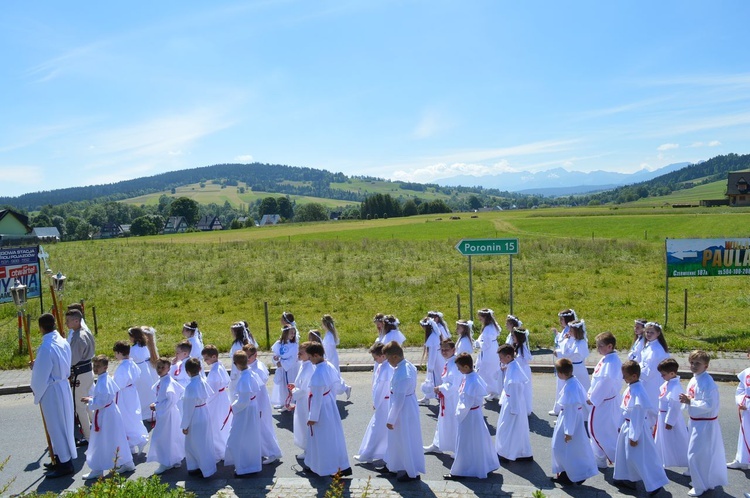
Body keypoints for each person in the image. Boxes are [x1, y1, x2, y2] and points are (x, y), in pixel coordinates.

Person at [30, 313, 77, 478]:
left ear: (41, 328)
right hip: (63, 385)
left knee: (55, 426)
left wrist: (35, 385)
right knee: (64, 424)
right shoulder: (63, 341)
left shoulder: (45, 347)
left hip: (51, 390)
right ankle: (58, 457)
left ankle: (65, 463)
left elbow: (41, 375)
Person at [612, 360, 668, 496]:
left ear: (634, 376)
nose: (623, 377)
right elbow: (623, 409)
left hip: (635, 428)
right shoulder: (631, 387)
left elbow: (637, 415)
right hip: (627, 425)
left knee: (638, 457)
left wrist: (634, 436)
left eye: (625, 375)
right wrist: (620, 425)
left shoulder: (638, 392)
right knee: (623, 454)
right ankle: (626, 478)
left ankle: (655, 483)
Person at [679, 350, 728, 497]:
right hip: (695, 421)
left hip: (705, 424)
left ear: (706, 366)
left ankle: (700, 486)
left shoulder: (708, 383)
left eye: (698, 363)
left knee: (697, 454)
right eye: (692, 363)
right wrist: (687, 399)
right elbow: (693, 396)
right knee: (695, 453)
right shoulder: (695, 378)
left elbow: (710, 404)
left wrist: (690, 401)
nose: (693, 366)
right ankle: (696, 474)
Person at [444, 352, 499, 480]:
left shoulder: (472, 381)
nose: (458, 370)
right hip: (474, 414)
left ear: (466, 367)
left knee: (465, 442)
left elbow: (466, 402)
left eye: (459, 367)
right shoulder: (471, 376)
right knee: (477, 441)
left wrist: (457, 414)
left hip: (469, 415)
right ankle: (483, 465)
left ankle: (460, 470)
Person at [81, 354, 135, 480]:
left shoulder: (103, 381)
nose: (95, 368)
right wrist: (92, 398)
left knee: (100, 441)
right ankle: (128, 463)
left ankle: (97, 469)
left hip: (105, 414)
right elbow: (104, 397)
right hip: (110, 412)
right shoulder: (104, 378)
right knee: (116, 438)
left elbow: (101, 401)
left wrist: (90, 402)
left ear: (105, 367)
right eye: (94, 366)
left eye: (98, 366)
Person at [303, 342, 352, 477]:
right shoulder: (328, 365)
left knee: (323, 438)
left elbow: (317, 399)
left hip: (322, 410)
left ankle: (328, 467)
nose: (309, 359)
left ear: (316, 355)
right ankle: (336, 465)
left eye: (310, 357)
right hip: (329, 404)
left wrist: (313, 418)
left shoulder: (319, 373)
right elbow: (337, 383)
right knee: (333, 436)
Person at [551, 358, 598, 486]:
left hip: (569, 421)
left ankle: (576, 474)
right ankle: (567, 473)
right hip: (572, 419)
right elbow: (583, 396)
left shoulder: (570, 388)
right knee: (571, 448)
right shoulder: (573, 381)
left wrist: (568, 432)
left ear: (561, 374)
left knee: (560, 447)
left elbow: (570, 412)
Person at [382, 341, 425, 482]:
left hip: (403, 409)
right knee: (397, 439)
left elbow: (399, 400)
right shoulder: (407, 365)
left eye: (388, 358)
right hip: (407, 404)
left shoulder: (402, 374)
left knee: (405, 438)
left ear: (394, 357)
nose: (387, 361)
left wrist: (390, 419)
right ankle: (395, 465)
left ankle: (410, 471)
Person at [587, 331, 622, 469]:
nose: (597, 349)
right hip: (604, 400)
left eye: (600, 346)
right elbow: (597, 379)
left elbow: (606, 382)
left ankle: (617, 459)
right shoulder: (607, 358)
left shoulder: (612, 362)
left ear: (609, 346)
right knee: (599, 430)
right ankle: (599, 458)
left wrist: (593, 398)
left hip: (603, 401)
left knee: (600, 431)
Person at [224, 350, 263, 477]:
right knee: (249, 436)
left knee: (239, 437)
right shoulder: (250, 373)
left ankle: (246, 467)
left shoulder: (245, 378)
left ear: (235, 364)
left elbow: (244, 399)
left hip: (245, 410)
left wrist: (233, 406)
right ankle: (249, 465)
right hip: (250, 408)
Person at [243, 343, 282, 464]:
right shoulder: (251, 366)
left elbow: (257, 386)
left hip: (259, 400)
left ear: (255, 355)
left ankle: (273, 452)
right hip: (256, 399)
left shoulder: (258, 368)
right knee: (259, 427)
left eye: (249, 357)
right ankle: (262, 450)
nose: (246, 360)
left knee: (263, 427)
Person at [355, 342, 394, 464]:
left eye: (376, 358)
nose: (375, 360)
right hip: (384, 402)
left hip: (384, 403)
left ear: (383, 355)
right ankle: (376, 452)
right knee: (379, 429)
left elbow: (381, 390)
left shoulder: (386, 369)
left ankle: (368, 454)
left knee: (376, 428)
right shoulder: (383, 366)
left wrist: (376, 403)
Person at [146, 357, 185, 474]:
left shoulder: (168, 383)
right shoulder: (163, 380)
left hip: (167, 414)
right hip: (167, 413)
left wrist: (156, 406)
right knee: (171, 436)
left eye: (163, 367)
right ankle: (174, 460)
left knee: (163, 437)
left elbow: (171, 399)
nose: (160, 369)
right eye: (158, 367)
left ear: (168, 369)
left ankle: (166, 462)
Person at [495, 343, 533, 462]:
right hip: (512, 401)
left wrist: (514, 409)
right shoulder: (512, 366)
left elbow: (515, 390)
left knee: (507, 428)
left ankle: (505, 453)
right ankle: (521, 452)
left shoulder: (514, 371)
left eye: (501, 357)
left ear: (508, 357)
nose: (500, 360)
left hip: (513, 404)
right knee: (517, 428)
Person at [181, 357, 217, 478]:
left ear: (187, 371)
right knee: (204, 442)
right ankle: (204, 467)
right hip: (204, 412)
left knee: (193, 444)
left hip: (195, 416)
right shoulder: (202, 381)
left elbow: (187, 409)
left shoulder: (190, 387)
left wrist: (184, 425)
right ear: (200, 369)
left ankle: (198, 467)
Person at [424, 340, 460, 455]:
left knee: (452, 423)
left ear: (453, 350)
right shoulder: (448, 362)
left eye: (447, 350)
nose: (444, 352)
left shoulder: (455, 364)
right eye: (442, 350)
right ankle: (437, 443)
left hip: (453, 398)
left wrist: (440, 388)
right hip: (447, 398)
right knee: (442, 420)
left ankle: (456, 448)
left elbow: (454, 384)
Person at [112, 340, 148, 454]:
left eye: (115, 353)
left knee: (126, 418)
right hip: (132, 392)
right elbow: (137, 374)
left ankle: (136, 440)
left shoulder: (123, 367)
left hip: (124, 395)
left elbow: (119, 384)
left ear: (119, 353)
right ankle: (132, 443)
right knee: (134, 416)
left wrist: (111, 382)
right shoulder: (132, 363)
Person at [65, 308, 95, 446]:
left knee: (80, 407)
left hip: (80, 374)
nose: (66, 323)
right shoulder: (85, 332)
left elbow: (72, 359)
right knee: (88, 404)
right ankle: (97, 429)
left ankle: (88, 437)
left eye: (69, 321)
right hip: (88, 372)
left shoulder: (78, 337)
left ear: (76, 321)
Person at [655, 358, 689, 470]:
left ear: (672, 373)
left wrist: (669, 421)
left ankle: (690, 463)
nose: (661, 376)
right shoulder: (668, 383)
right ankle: (659, 460)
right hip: (662, 415)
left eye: (663, 374)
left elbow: (674, 405)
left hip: (669, 417)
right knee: (661, 440)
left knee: (678, 441)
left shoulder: (675, 387)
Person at [202, 345, 231, 461]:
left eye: (207, 358)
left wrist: (205, 401)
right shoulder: (220, 366)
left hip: (216, 400)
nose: (205, 361)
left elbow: (211, 392)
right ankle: (222, 448)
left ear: (214, 357)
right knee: (222, 423)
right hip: (222, 397)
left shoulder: (214, 372)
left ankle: (219, 452)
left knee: (216, 424)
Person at [128, 326, 159, 420]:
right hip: (145, 370)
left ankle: (145, 413)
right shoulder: (144, 346)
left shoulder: (133, 349)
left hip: (139, 371)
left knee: (141, 392)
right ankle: (150, 413)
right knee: (147, 392)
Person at [550, 308, 576, 416]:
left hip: (564, 361)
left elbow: (568, 348)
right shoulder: (566, 330)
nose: (560, 321)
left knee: (562, 387)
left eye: (562, 319)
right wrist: (557, 333)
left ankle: (560, 409)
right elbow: (561, 341)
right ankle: (558, 408)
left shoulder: (570, 331)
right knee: (559, 387)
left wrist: (559, 353)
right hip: (560, 360)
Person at [290, 342, 314, 459]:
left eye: (301, 352)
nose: (298, 354)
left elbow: (304, 389)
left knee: (305, 425)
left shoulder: (309, 367)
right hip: (301, 399)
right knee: (301, 423)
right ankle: (307, 449)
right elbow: (301, 382)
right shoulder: (303, 364)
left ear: (309, 355)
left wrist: (294, 390)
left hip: (305, 401)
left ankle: (309, 451)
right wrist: (294, 385)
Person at [640, 321, 670, 411]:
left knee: (652, 405)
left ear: (658, 333)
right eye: (647, 332)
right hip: (647, 377)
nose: (648, 334)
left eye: (651, 332)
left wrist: (638, 372)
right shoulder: (650, 344)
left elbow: (650, 370)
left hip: (652, 380)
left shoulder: (656, 350)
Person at [321, 314, 352, 399]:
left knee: (334, 377)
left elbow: (329, 350)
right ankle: (344, 388)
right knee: (334, 376)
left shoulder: (329, 336)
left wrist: (326, 360)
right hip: (331, 357)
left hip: (331, 358)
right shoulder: (329, 334)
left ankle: (344, 388)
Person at [728, 349, 750, 470]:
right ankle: (741, 459)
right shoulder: (746, 372)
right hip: (747, 407)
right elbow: (740, 389)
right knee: (744, 433)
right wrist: (741, 401)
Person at [270, 324, 299, 410]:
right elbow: (275, 355)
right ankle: (283, 402)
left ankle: (290, 402)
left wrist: (282, 363)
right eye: (291, 333)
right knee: (282, 385)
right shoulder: (278, 344)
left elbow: (293, 358)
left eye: (294, 333)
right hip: (282, 368)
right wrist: (276, 360)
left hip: (290, 368)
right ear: (285, 333)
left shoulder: (294, 345)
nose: (293, 335)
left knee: (290, 384)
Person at [475, 308, 501, 400]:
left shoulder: (488, 329)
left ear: (485, 317)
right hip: (492, 350)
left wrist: (478, 344)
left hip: (489, 352)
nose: (480, 320)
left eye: (481, 318)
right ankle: (492, 391)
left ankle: (493, 391)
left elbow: (485, 344)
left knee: (487, 372)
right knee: (489, 371)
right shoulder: (491, 326)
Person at [559, 319, 590, 394]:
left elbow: (566, 353)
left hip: (578, 370)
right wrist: (566, 340)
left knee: (581, 389)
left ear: (577, 332)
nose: (569, 332)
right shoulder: (575, 341)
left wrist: (565, 341)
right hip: (574, 368)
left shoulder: (581, 343)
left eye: (571, 331)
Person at [508, 324, 533, 416]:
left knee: (524, 389)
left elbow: (524, 360)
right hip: (519, 370)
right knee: (518, 389)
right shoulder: (517, 346)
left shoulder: (523, 349)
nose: (512, 337)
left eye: (513, 336)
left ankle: (525, 408)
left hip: (523, 371)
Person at [228, 321, 256, 399]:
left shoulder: (236, 345)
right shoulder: (247, 341)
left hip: (237, 371)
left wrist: (233, 375)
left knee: (235, 393)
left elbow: (236, 360)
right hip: (244, 370)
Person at [418, 317, 442, 406]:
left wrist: (430, 368)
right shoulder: (434, 335)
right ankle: (427, 397)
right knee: (432, 380)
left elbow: (432, 354)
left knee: (435, 380)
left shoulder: (432, 338)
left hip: (435, 363)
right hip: (437, 361)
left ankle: (439, 397)